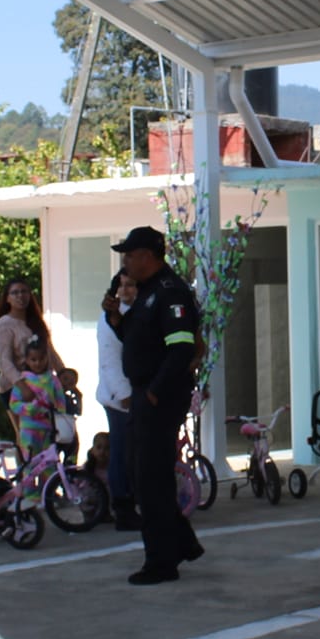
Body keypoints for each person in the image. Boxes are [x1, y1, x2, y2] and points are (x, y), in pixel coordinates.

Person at [113, 226, 204, 585]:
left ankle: (161, 562)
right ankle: (181, 541)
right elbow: (141, 342)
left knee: (151, 480)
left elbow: (181, 346)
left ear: (148, 256)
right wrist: (116, 320)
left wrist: (155, 391)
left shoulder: (170, 292)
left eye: (130, 255)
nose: (126, 261)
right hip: (144, 394)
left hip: (159, 397)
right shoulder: (148, 292)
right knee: (144, 476)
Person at [95, 272, 138, 529]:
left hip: (140, 394)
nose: (127, 290)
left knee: (135, 454)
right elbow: (109, 361)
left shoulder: (141, 312)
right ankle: (122, 507)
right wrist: (124, 395)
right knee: (122, 454)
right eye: (122, 286)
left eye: (131, 284)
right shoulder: (108, 319)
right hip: (120, 398)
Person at [9, 336, 71, 462]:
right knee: (29, 467)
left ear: (47, 357)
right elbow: (14, 404)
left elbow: (61, 404)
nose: (38, 363)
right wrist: (29, 408)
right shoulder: (23, 381)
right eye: (33, 359)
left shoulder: (53, 380)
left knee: (48, 467)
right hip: (28, 430)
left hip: (49, 431)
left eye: (41, 359)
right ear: (27, 360)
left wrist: (59, 418)